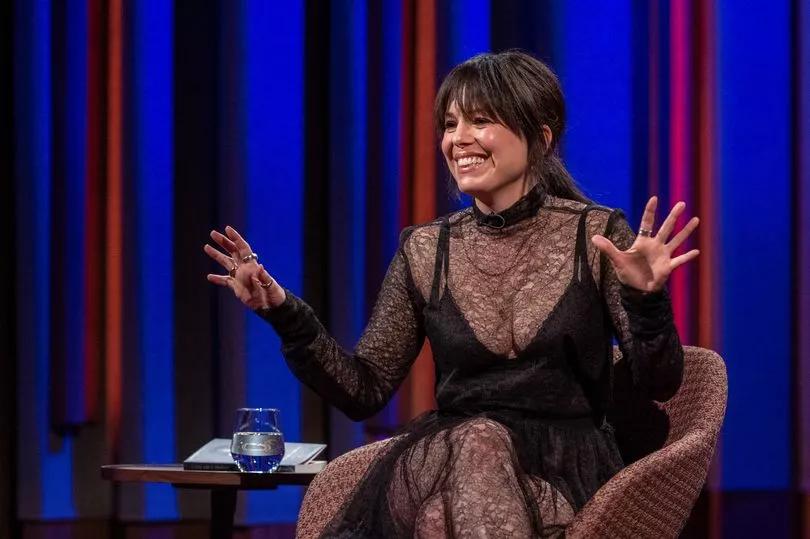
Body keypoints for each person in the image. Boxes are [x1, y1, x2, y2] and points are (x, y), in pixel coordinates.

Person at [204, 51, 699, 538]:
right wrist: (283, 312)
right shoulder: (426, 249)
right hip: (452, 454)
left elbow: (660, 384)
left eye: (480, 121)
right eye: (449, 124)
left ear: (540, 138)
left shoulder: (594, 236)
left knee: (441, 519)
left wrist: (646, 300)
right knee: (475, 442)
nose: (458, 139)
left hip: (564, 469)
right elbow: (363, 390)